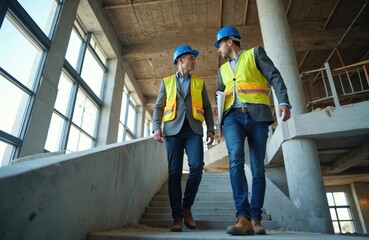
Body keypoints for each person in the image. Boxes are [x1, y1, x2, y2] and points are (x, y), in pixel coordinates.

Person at [214, 26, 291, 235]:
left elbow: (274, 76)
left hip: (257, 116)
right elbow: (219, 96)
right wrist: (218, 122)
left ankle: (256, 219)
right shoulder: (221, 70)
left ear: (229, 41)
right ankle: (243, 216)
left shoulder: (255, 54)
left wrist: (283, 101)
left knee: (257, 169)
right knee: (236, 159)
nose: (218, 49)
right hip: (232, 118)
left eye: (219, 44)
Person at [152, 44, 215, 232]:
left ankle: (186, 206)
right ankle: (177, 218)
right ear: (181, 60)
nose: (194, 61)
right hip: (172, 131)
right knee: (174, 173)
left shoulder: (199, 83)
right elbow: (158, 107)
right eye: (191, 58)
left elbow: (208, 108)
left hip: (193, 130)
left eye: (194, 58)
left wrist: (210, 129)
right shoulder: (166, 82)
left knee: (197, 166)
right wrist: (156, 127)